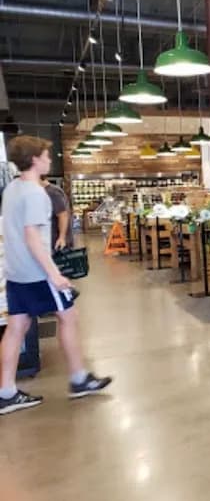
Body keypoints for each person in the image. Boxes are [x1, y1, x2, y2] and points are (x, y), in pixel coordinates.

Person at [0, 135, 112, 416]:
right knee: (69, 317)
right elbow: (33, 239)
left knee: (15, 329)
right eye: (47, 156)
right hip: (37, 274)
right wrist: (54, 274)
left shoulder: (12, 189)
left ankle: (6, 392)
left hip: (15, 273)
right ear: (35, 159)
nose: (50, 160)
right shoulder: (35, 193)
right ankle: (78, 379)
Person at [40, 175, 73, 251]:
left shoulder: (52, 192)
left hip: (57, 244)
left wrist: (61, 238)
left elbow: (63, 215)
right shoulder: (47, 191)